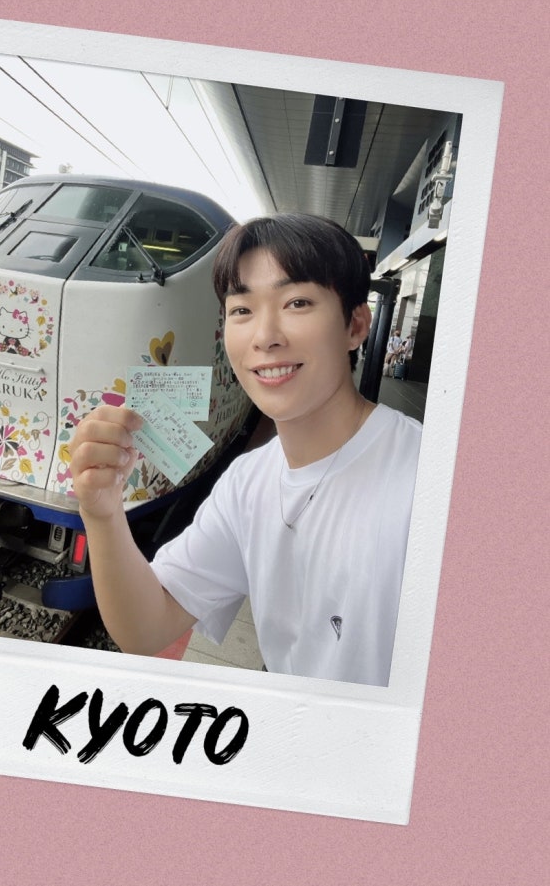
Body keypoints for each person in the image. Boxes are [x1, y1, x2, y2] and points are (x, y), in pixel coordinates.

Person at [70, 214, 422, 686]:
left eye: (297, 302)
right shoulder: (245, 482)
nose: (264, 336)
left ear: (356, 325)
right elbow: (145, 628)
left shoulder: (432, 481)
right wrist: (102, 513)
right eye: (242, 310)